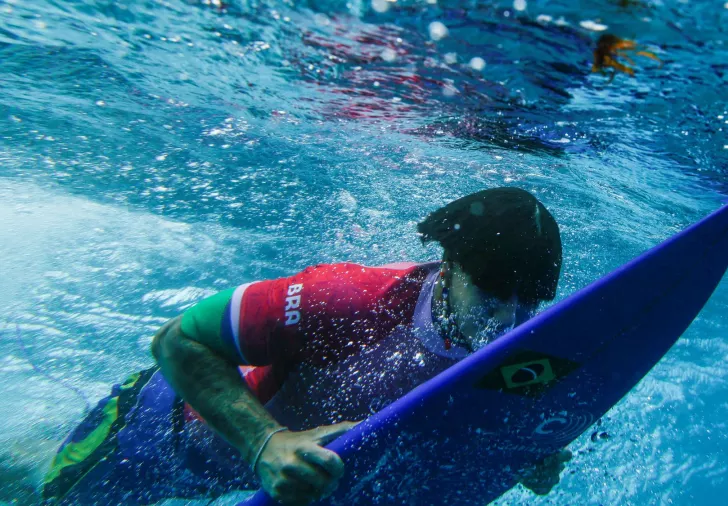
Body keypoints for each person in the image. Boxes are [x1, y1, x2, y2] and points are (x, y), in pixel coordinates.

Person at [42, 187, 569, 505]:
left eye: (532, 301)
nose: (510, 319)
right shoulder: (351, 300)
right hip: (152, 436)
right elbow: (174, 340)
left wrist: (528, 458)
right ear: (450, 265)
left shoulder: (526, 351)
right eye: (494, 294)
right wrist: (264, 443)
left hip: (235, 484)